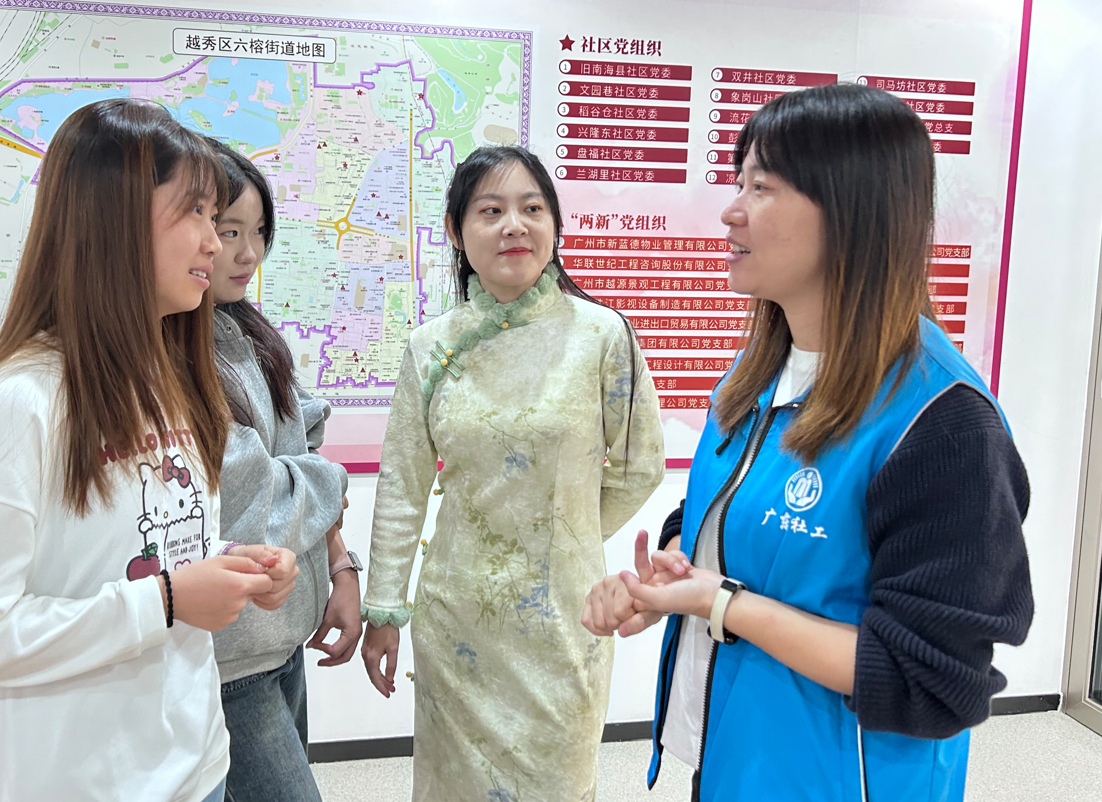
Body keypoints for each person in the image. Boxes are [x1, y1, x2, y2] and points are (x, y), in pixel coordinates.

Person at [582, 83, 1034, 802]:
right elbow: (731, 513)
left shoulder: (943, 424)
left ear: (851, 210)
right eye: (738, 182)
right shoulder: (757, 374)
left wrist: (721, 603)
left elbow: (933, 681)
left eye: (760, 187)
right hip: (736, 759)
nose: (731, 210)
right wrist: (675, 569)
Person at [0, 99, 299, 802]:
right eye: (195, 213)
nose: (215, 243)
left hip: (192, 763)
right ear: (113, 220)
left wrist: (230, 566)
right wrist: (167, 600)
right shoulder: (20, 404)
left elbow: (139, 554)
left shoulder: (172, 384)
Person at [359, 145, 666, 801]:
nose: (513, 226)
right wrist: (384, 609)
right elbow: (402, 486)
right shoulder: (430, 346)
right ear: (455, 230)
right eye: (490, 211)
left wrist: (561, 535)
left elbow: (640, 464)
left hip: (562, 620)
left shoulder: (604, 336)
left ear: (554, 224)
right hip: (456, 622)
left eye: (531, 208)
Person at [204, 140, 358, 802]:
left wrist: (341, 566)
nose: (249, 253)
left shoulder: (244, 331)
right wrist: (328, 482)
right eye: (228, 231)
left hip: (281, 640)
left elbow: (303, 439)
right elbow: (250, 505)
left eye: (259, 231)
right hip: (228, 660)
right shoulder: (169, 355)